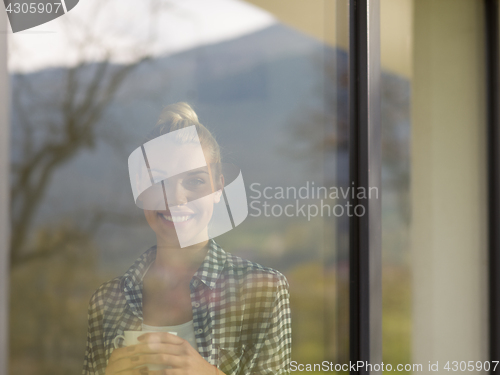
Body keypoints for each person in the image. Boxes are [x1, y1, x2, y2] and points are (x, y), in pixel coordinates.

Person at [82, 103, 292, 375]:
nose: (175, 198)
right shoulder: (106, 300)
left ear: (218, 187)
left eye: (195, 181)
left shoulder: (264, 291)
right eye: (159, 182)